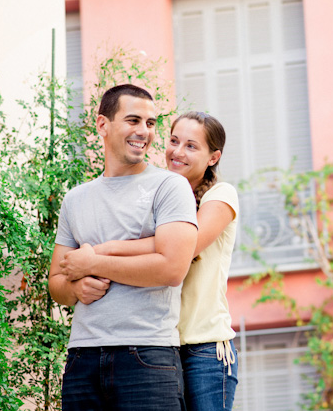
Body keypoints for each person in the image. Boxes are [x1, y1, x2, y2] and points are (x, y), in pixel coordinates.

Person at [61, 111, 240, 411]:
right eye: (174, 141)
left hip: (204, 348)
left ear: (213, 157)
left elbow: (184, 248)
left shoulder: (221, 196)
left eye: (191, 146)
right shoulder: (159, 192)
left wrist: (96, 255)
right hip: (159, 344)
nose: (177, 152)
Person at [48, 84, 199, 411]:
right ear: (103, 124)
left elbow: (172, 269)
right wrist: (76, 286)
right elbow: (57, 285)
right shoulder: (75, 199)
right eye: (133, 120)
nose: (144, 131)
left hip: (146, 355)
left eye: (150, 123)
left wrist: (93, 263)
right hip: (81, 358)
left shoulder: (169, 187)